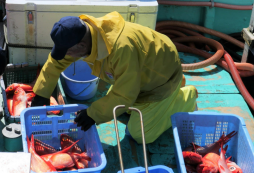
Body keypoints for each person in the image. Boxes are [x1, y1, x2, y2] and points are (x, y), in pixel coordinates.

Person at [31, 11, 198, 144]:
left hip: (161, 82)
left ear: (81, 46)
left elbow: (125, 94)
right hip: (138, 79)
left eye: (67, 51)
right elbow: (56, 62)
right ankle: (170, 95)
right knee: (117, 107)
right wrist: (41, 93)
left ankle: (184, 97)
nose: (66, 55)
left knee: (139, 136)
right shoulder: (87, 34)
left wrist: (93, 114)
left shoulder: (122, 48)